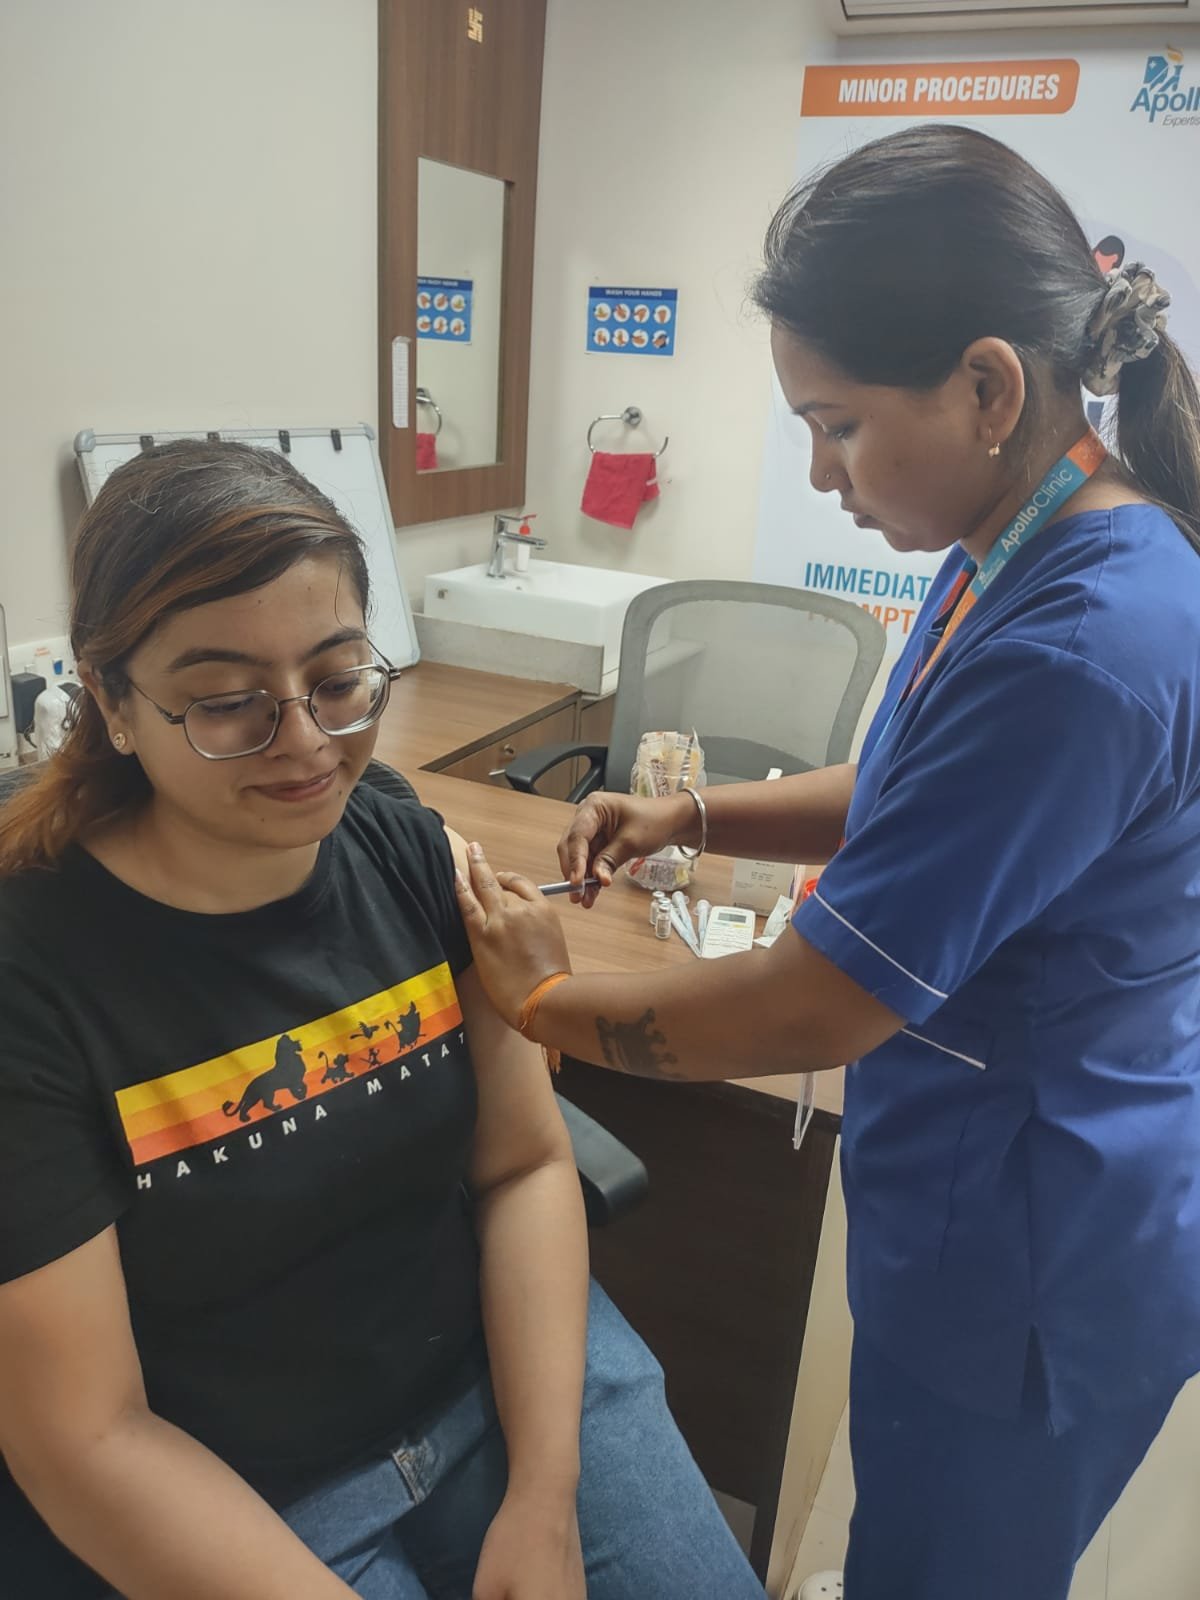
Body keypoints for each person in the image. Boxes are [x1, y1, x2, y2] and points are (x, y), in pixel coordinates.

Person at [454, 124, 1200, 1600]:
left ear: (988, 387)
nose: (823, 472)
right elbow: (918, 794)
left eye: (840, 425)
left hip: (1033, 1248)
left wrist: (539, 1004)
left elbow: (813, 1004)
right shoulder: (1015, 542)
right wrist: (696, 817)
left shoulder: (1082, 642)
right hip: (982, 1188)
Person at [0, 441, 765, 1600]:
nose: (308, 741)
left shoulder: (408, 852)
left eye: (338, 678)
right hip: (253, 1490)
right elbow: (87, 1436)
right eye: (228, 703)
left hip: (501, 1388)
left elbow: (522, 1163)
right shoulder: (36, 975)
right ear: (112, 703)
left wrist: (544, 1495)